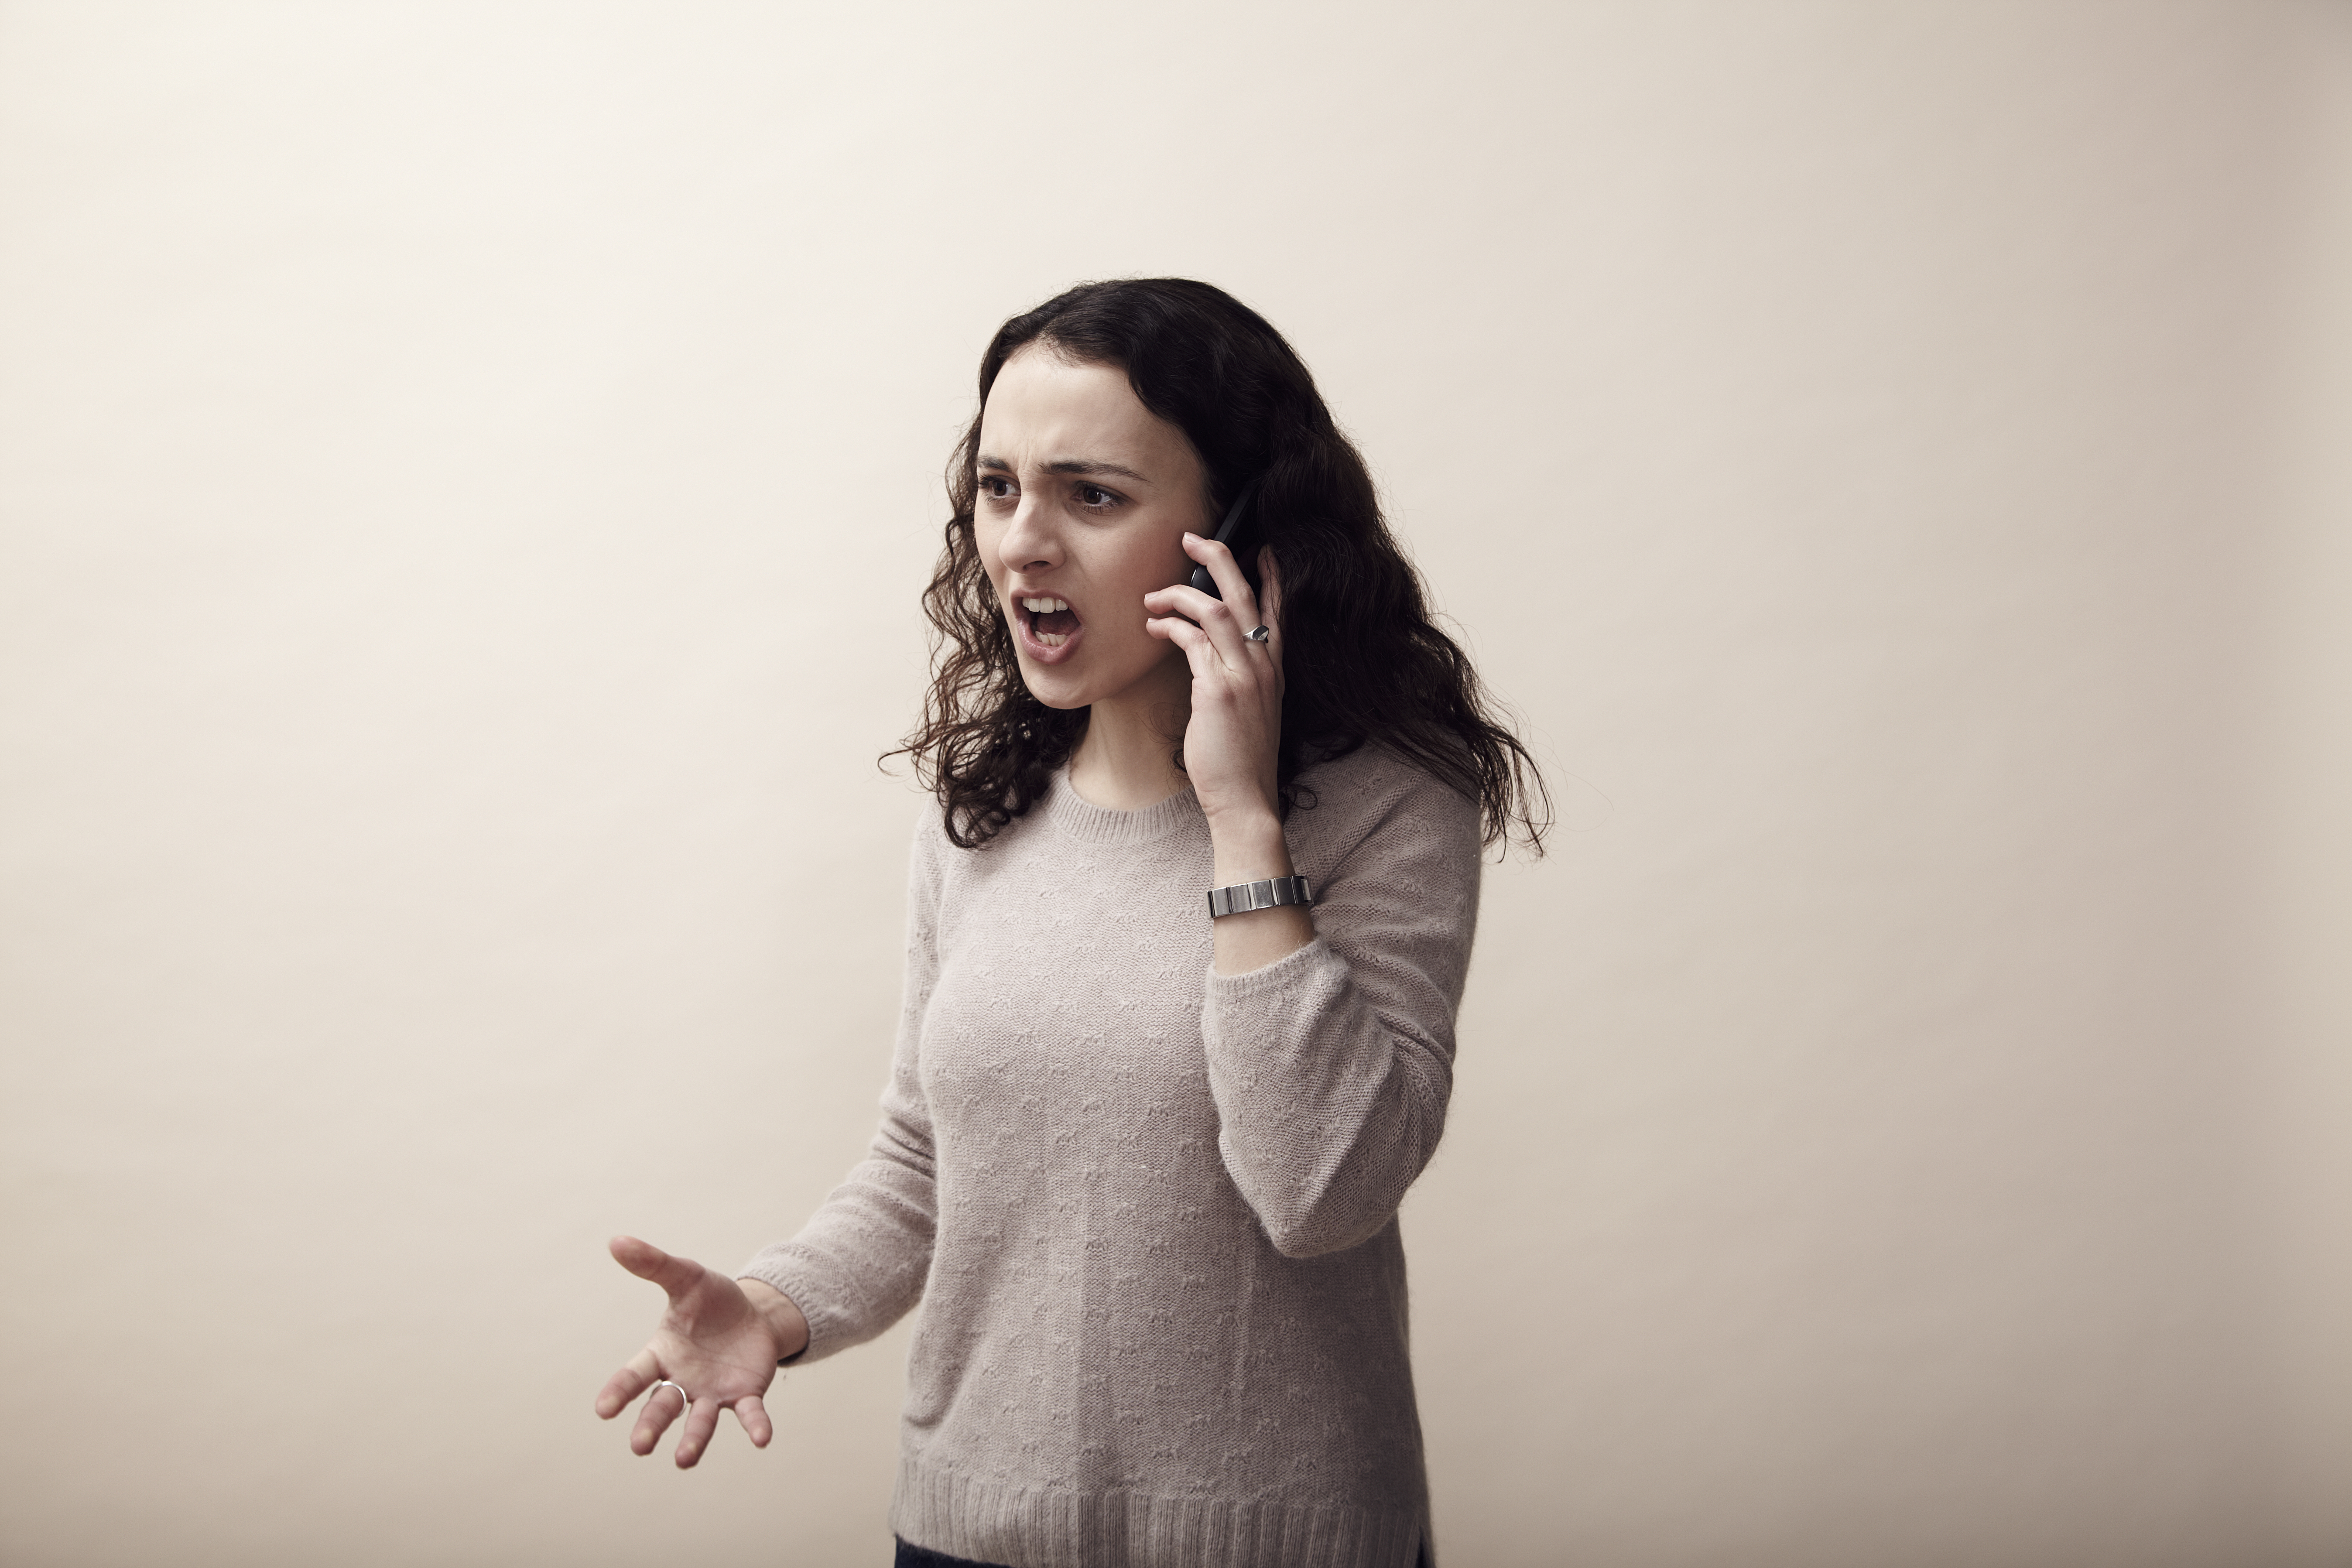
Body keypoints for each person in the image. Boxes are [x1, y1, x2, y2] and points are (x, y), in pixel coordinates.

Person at [593, 278, 1548, 1568]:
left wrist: (1242, 820)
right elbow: (922, 1164)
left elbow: (1323, 1190)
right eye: (998, 487)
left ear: (1242, 538)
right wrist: (770, 1307)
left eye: (1091, 496)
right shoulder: (981, 813)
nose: (1022, 544)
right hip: (967, 1536)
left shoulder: (1388, 808)